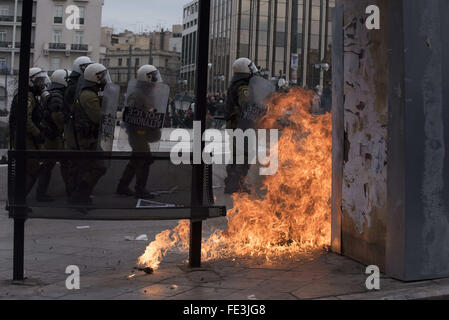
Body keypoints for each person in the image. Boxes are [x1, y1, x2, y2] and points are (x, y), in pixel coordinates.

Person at [116, 65, 166, 198]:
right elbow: (131, 115)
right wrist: (148, 115)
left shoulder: (144, 93)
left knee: (136, 160)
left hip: (142, 133)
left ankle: (122, 186)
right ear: (147, 77)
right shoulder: (137, 95)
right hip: (136, 132)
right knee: (144, 159)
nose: (155, 79)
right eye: (153, 76)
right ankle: (140, 188)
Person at [69, 63, 109, 204]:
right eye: (102, 76)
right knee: (95, 168)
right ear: (95, 77)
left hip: (89, 138)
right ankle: (79, 196)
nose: (105, 79)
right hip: (87, 140)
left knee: (91, 168)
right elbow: (98, 118)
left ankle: (81, 196)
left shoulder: (90, 93)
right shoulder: (89, 95)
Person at [9, 67, 49, 196]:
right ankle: (19, 200)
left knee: (31, 169)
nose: (41, 85)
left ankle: (20, 199)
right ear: (30, 82)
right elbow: (25, 119)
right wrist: (38, 133)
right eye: (39, 81)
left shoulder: (31, 96)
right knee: (33, 169)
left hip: (28, 137)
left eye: (42, 81)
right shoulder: (27, 97)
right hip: (25, 138)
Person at [224, 57, 258, 194]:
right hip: (241, 125)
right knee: (243, 156)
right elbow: (246, 106)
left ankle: (232, 183)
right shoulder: (244, 87)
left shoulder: (235, 84)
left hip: (235, 125)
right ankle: (235, 184)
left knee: (237, 155)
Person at [36, 69, 70, 201]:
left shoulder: (51, 93)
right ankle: (70, 192)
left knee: (49, 166)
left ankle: (41, 193)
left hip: (50, 135)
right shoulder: (57, 95)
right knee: (58, 165)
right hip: (54, 137)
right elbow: (57, 115)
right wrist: (65, 127)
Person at [63, 56, 93, 196]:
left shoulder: (79, 84)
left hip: (78, 128)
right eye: (85, 67)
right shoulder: (75, 86)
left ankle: (77, 191)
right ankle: (73, 192)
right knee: (75, 164)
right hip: (73, 128)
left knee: (80, 163)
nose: (88, 70)